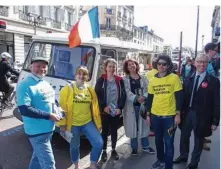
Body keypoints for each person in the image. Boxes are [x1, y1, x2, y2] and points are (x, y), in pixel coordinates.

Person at [173, 54, 220, 169]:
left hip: (203, 116)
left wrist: (215, 121)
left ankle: (194, 163)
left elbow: (217, 102)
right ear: (195, 63)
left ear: (207, 63)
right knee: (184, 137)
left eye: (204, 62)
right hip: (187, 113)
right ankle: (183, 156)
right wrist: (178, 112)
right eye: (199, 62)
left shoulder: (213, 81)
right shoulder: (189, 77)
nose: (201, 64)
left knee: (199, 140)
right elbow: (183, 97)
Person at [16, 57, 62, 169]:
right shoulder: (25, 84)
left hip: (48, 130)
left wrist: (57, 109)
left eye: (44, 66)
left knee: (37, 160)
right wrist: (49, 115)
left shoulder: (45, 83)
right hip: (37, 132)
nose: (41, 69)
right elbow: (24, 109)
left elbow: (52, 101)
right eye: (38, 66)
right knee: (49, 164)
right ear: (31, 67)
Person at [57, 66, 103, 169]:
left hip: (87, 122)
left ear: (87, 77)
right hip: (73, 124)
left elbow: (95, 109)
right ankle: (76, 165)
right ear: (75, 75)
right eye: (79, 73)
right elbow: (62, 108)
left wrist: (98, 124)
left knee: (99, 143)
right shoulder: (67, 89)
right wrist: (62, 124)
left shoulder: (90, 90)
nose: (81, 76)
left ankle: (92, 164)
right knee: (74, 147)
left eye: (84, 74)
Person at [145, 54, 183, 169]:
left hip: (170, 118)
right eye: (159, 64)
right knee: (158, 141)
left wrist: (178, 114)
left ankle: (168, 166)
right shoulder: (152, 80)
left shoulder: (174, 78)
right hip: (155, 117)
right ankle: (160, 160)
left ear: (168, 66)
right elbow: (150, 98)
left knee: (169, 143)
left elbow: (179, 97)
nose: (161, 66)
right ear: (156, 65)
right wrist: (148, 115)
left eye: (164, 64)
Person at [95, 58, 126, 162]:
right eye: (110, 66)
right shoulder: (101, 80)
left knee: (114, 131)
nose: (112, 69)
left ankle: (113, 149)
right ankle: (104, 151)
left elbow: (123, 95)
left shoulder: (119, 80)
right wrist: (104, 106)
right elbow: (97, 95)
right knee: (104, 132)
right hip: (105, 111)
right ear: (105, 68)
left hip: (115, 111)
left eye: (114, 67)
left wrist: (120, 108)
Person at [122, 58, 155, 156]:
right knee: (133, 128)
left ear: (136, 65)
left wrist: (143, 97)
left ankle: (145, 146)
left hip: (142, 106)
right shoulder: (125, 80)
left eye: (133, 64)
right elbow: (126, 92)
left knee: (144, 127)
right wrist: (136, 98)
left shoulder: (143, 78)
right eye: (129, 65)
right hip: (131, 107)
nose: (132, 66)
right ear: (127, 68)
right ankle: (134, 148)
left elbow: (148, 89)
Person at [203, 42, 219, 150]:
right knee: (203, 119)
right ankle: (200, 140)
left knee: (206, 118)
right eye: (216, 50)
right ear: (210, 50)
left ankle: (203, 138)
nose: (217, 52)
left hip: (210, 93)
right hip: (205, 94)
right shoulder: (204, 61)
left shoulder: (210, 61)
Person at [146, 56, 158, 137]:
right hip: (158, 96)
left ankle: (150, 128)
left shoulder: (147, 74)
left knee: (149, 110)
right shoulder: (161, 73)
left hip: (149, 94)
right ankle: (155, 128)